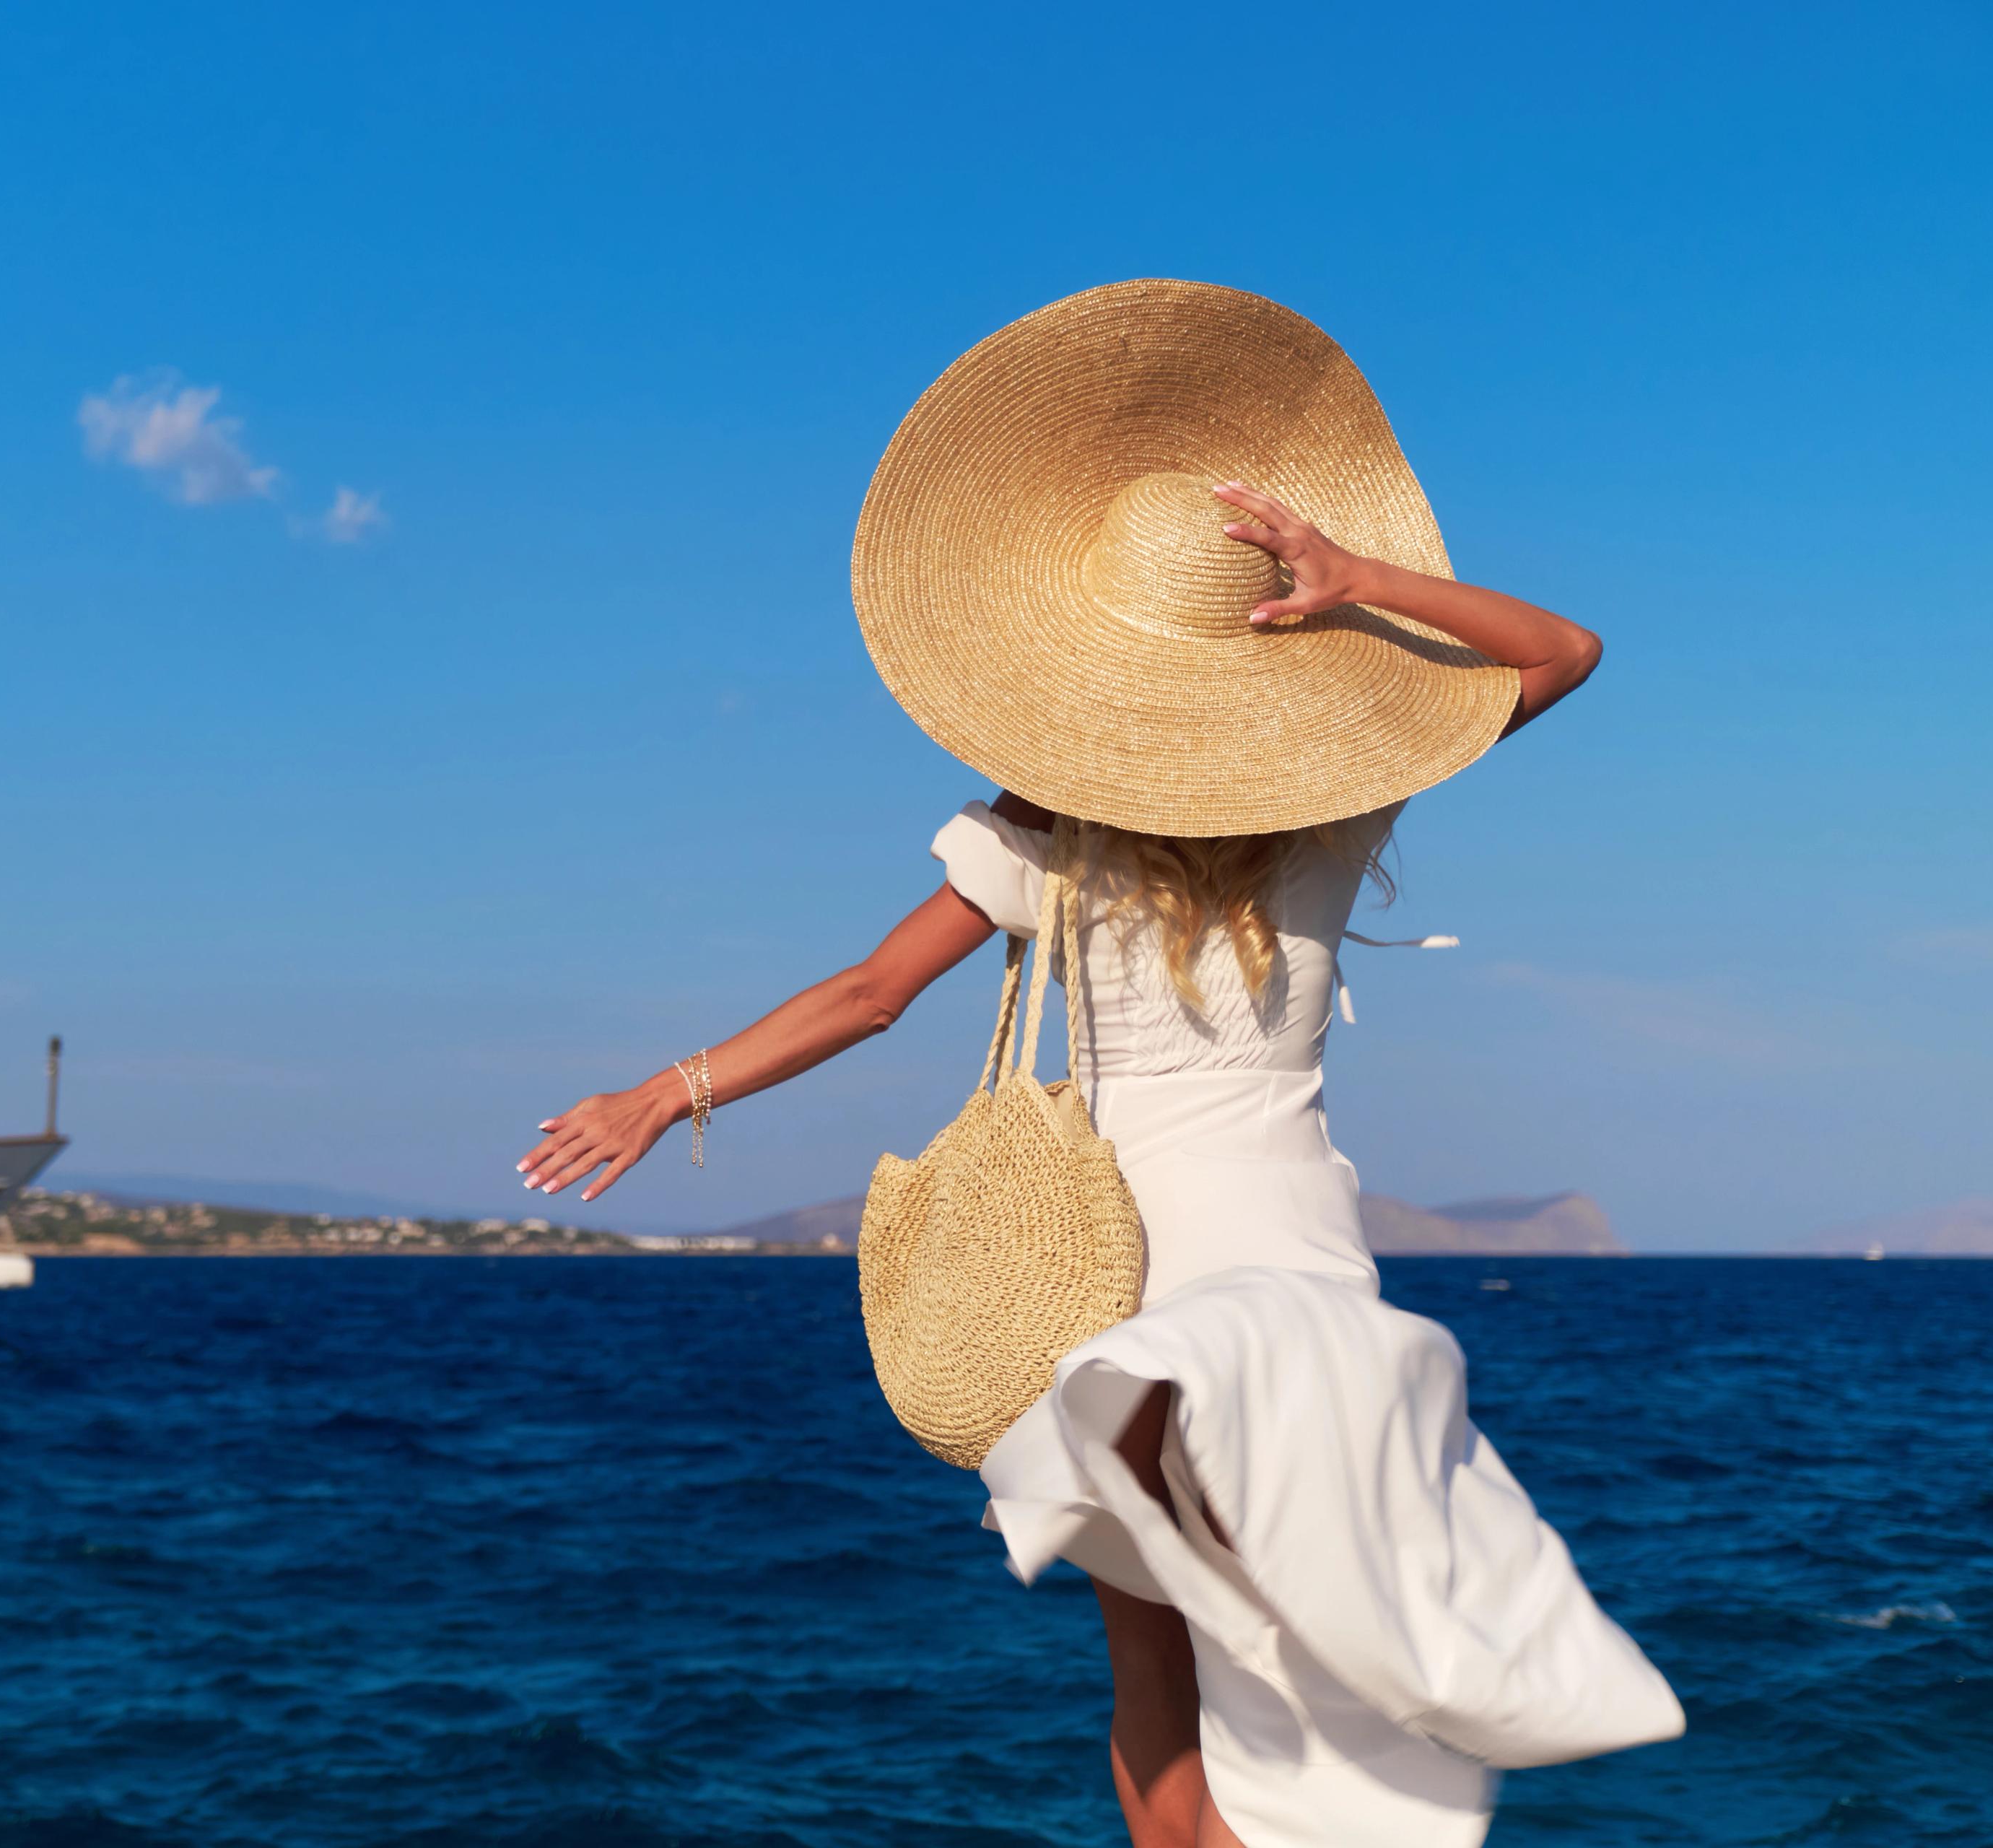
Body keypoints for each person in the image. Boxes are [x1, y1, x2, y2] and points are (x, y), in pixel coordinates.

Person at [518, 282, 1683, 1847]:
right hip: (1286, 1276)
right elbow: (1564, 650)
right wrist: (1354, 586)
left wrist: (663, 1093)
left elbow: (869, 994)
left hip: (1118, 1280)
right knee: (1305, 1670)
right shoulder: (1338, 817)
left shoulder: (1038, 829)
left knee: (1154, 1673)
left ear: (1094, 653)